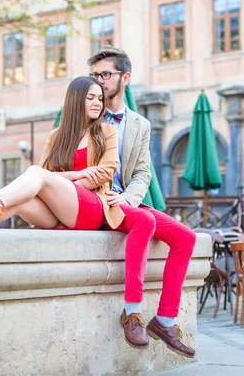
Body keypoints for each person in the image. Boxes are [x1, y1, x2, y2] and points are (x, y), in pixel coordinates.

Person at [88, 47, 197, 358]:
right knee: (146, 221)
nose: (99, 81)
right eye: (95, 75)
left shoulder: (140, 124)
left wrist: (127, 198)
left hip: (124, 201)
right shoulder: (86, 112)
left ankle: (164, 320)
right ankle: (131, 313)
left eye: (105, 74)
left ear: (125, 78)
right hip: (95, 200)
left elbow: (142, 173)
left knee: (185, 238)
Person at [0, 76, 124, 231]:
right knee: (21, 202)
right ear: (75, 100)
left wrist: (64, 186)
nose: (98, 103)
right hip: (59, 210)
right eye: (91, 98)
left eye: (100, 99)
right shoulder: (56, 136)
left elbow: (105, 172)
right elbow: (44, 177)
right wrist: (73, 175)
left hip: (92, 206)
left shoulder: (107, 131)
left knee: (35, 172)